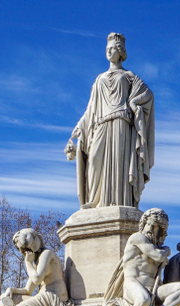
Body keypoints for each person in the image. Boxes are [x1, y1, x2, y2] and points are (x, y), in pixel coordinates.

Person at [65, 32, 154, 209]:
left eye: (112, 48)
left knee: (119, 165)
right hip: (101, 124)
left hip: (121, 122)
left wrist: (134, 101)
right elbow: (90, 110)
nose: (109, 51)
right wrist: (75, 134)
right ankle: (96, 200)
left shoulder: (129, 76)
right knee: (95, 160)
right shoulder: (99, 78)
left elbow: (148, 94)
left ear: (120, 52)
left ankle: (120, 201)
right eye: (107, 48)